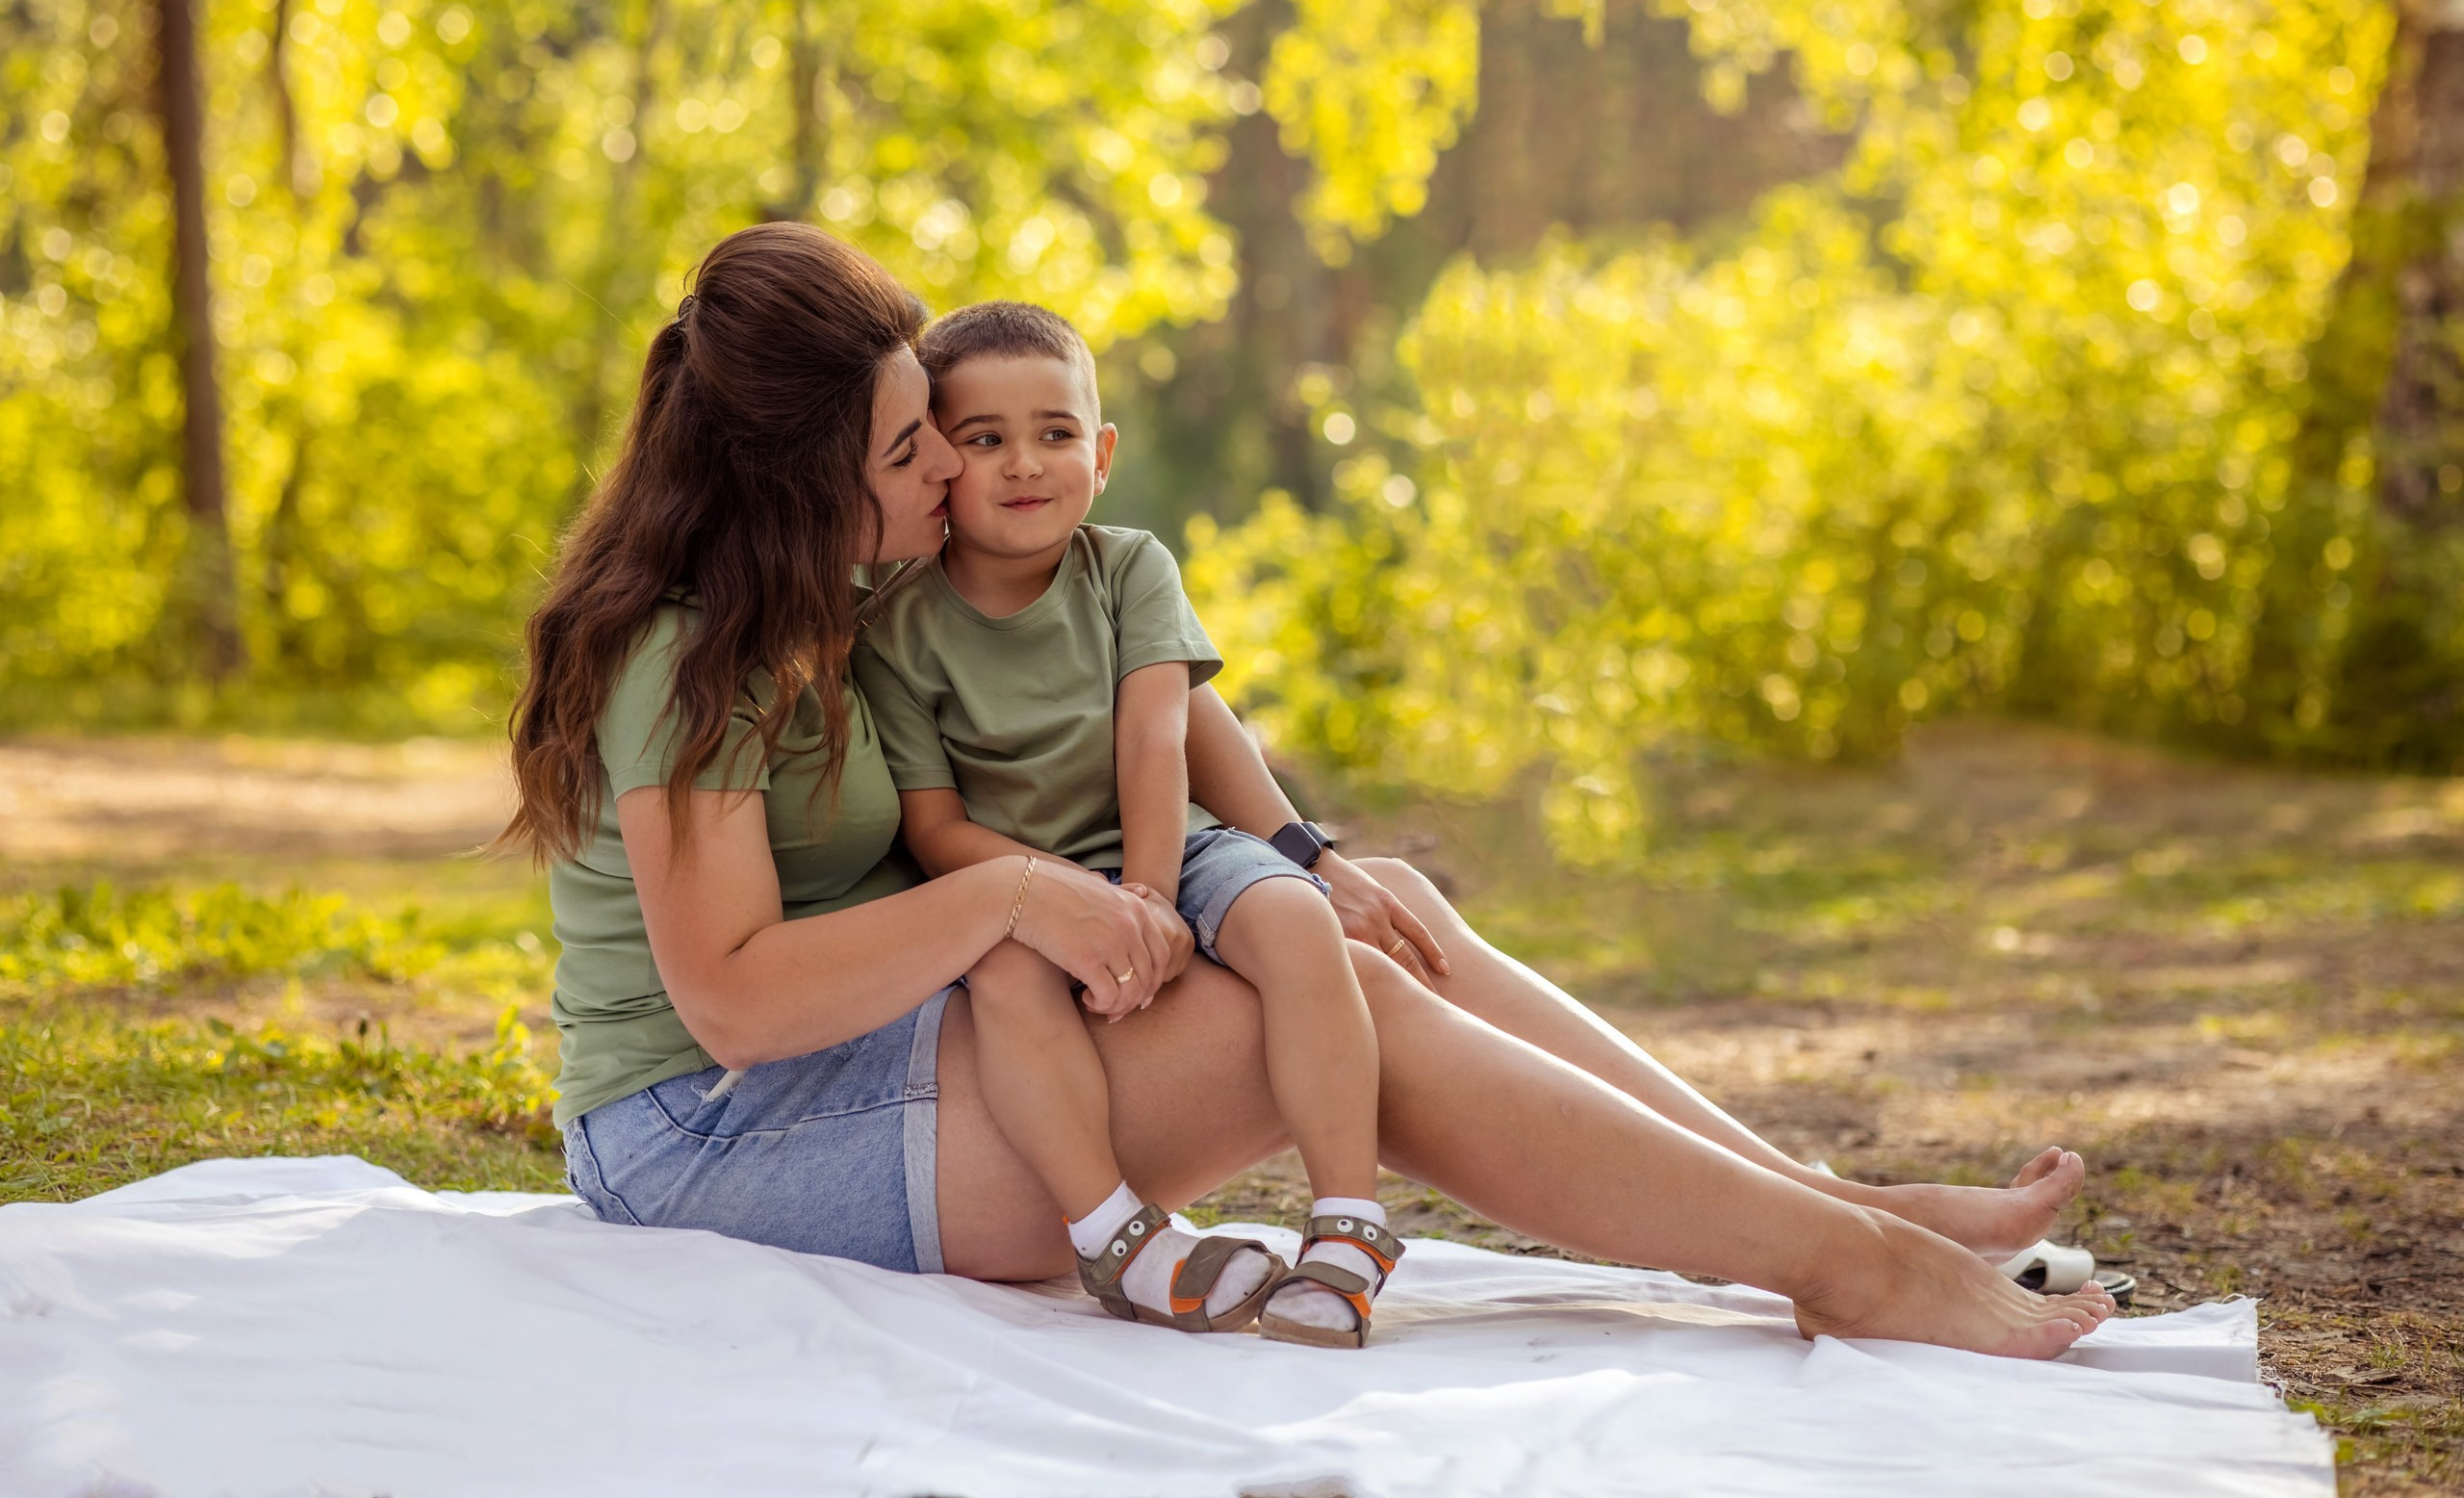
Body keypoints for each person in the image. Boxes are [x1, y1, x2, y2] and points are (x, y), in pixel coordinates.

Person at [503, 220, 2114, 1363]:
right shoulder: (693, 657)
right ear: (803, 478)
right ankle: (1841, 1258)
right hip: (715, 1131)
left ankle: (1822, 1201)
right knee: (1341, 999)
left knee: (1377, 916)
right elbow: (726, 1003)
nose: (947, 462)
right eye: (912, 441)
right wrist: (1009, 892)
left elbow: (1131, 683)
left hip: (899, 1033)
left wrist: (1300, 844)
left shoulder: (864, 581)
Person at [851, 300, 1399, 1348]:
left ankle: (1347, 1224)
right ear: (937, 466)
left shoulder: (1127, 568)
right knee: (1008, 982)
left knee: (1295, 923)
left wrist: (1147, 897)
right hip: (1015, 883)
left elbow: (1157, 745)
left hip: (1169, 850)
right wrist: (1071, 908)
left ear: (1100, 455)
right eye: (985, 439)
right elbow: (935, 828)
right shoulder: (896, 624)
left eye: (1055, 434)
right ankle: (1115, 1234)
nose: (1024, 463)